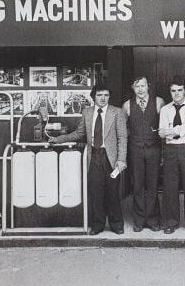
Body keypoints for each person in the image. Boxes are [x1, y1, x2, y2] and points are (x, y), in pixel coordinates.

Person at [49, 82, 128, 235]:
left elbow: (122, 138)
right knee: (96, 192)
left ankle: (116, 224)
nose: (103, 98)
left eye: (106, 95)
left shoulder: (117, 112)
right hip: (93, 156)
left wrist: (121, 159)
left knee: (112, 192)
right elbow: (79, 134)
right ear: (94, 97)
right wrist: (59, 139)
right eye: (99, 95)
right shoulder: (87, 112)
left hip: (110, 158)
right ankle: (98, 225)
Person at [122, 77, 164, 232]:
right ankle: (139, 220)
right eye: (136, 86)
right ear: (133, 88)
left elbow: (164, 125)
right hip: (135, 150)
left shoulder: (159, 102)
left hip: (154, 149)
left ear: (148, 86)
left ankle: (153, 220)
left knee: (153, 184)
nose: (140, 89)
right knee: (138, 185)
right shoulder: (127, 105)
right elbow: (124, 128)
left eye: (143, 85)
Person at [158, 78, 185, 234]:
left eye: (179, 90)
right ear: (170, 92)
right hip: (170, 150)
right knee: (170, 187)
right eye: (173, 90)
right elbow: (162, 132)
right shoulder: (165, 109)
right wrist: (181, 130)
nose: (176, 93)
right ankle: (170, 222)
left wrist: (172, 130)